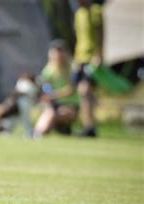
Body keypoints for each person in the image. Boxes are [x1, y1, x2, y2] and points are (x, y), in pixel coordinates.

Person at [34, 40, 80, 138]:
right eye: (56, 52)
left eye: (61, 52)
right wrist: (47, 97)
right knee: (50, 112)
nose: (59, 55)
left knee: (57, 113)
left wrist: (52, 96)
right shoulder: (48, 70)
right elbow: (46, 87)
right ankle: (37, 133)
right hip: (54, 104)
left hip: (70, 105)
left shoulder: (73, 68)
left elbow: (70, 90)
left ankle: (41, 132)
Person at [73, 0, 104, 137]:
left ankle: (90, 126)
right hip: (80, 58)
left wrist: (99, 54)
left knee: (86, 91)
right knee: (83, 93)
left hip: (92, 58)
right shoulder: (79, 13)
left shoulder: (96, 10)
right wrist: (75, 58)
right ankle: (88, 126)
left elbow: (101, 34)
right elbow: (78, 38)